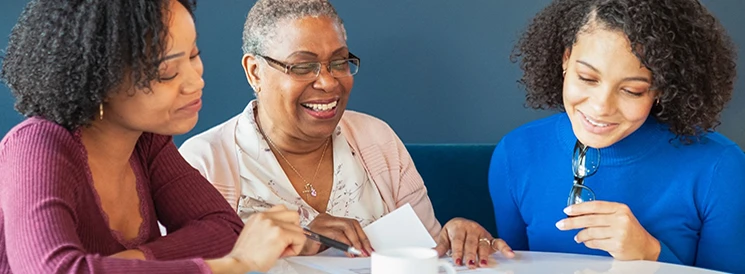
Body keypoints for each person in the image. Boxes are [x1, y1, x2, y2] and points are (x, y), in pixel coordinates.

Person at [179, 0, 513, 268]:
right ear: (255, 72)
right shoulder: (203, 163)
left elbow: (428, 256)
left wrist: (455, 238)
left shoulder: (377, 139)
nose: (327, 82)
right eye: (302, 66)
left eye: (339, 63)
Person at [0, 0, 306, 273]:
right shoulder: (35, 147)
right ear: (98, 78)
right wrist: (236, 265)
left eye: (193, 55)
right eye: (168, 72)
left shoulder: (147, 141)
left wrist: (122, 262)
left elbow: (223, 230)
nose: (195, 81)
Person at [489, 0, 744, 273]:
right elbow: (510, 266)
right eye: (587, 78)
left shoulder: (720, 168)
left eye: (632, 90)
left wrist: (650, 253)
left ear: (662, 88)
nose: (601, 108)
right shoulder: (516, 154)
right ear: (566, 59)